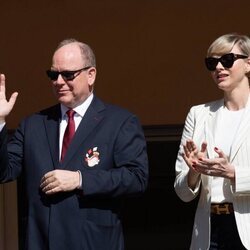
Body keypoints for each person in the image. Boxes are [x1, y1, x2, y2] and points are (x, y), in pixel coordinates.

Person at [0, 38, 149, 250]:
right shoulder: (33, 124)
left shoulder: (120, 122)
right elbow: (3, 172)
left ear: (91, 75)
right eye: (53, 75)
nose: (59, 81)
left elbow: (136, 178)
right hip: (42, 242)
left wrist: (80, 179)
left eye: (68, 75)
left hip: (93, 242)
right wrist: (0, 122)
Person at [174, 33, 250, 250]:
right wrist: (194, 171)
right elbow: (182, 191)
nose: (218, 67)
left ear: (248, 64)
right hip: (208, 232)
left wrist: (233, 173)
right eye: (211, 62)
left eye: (226, 60)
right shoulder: (198, 114)